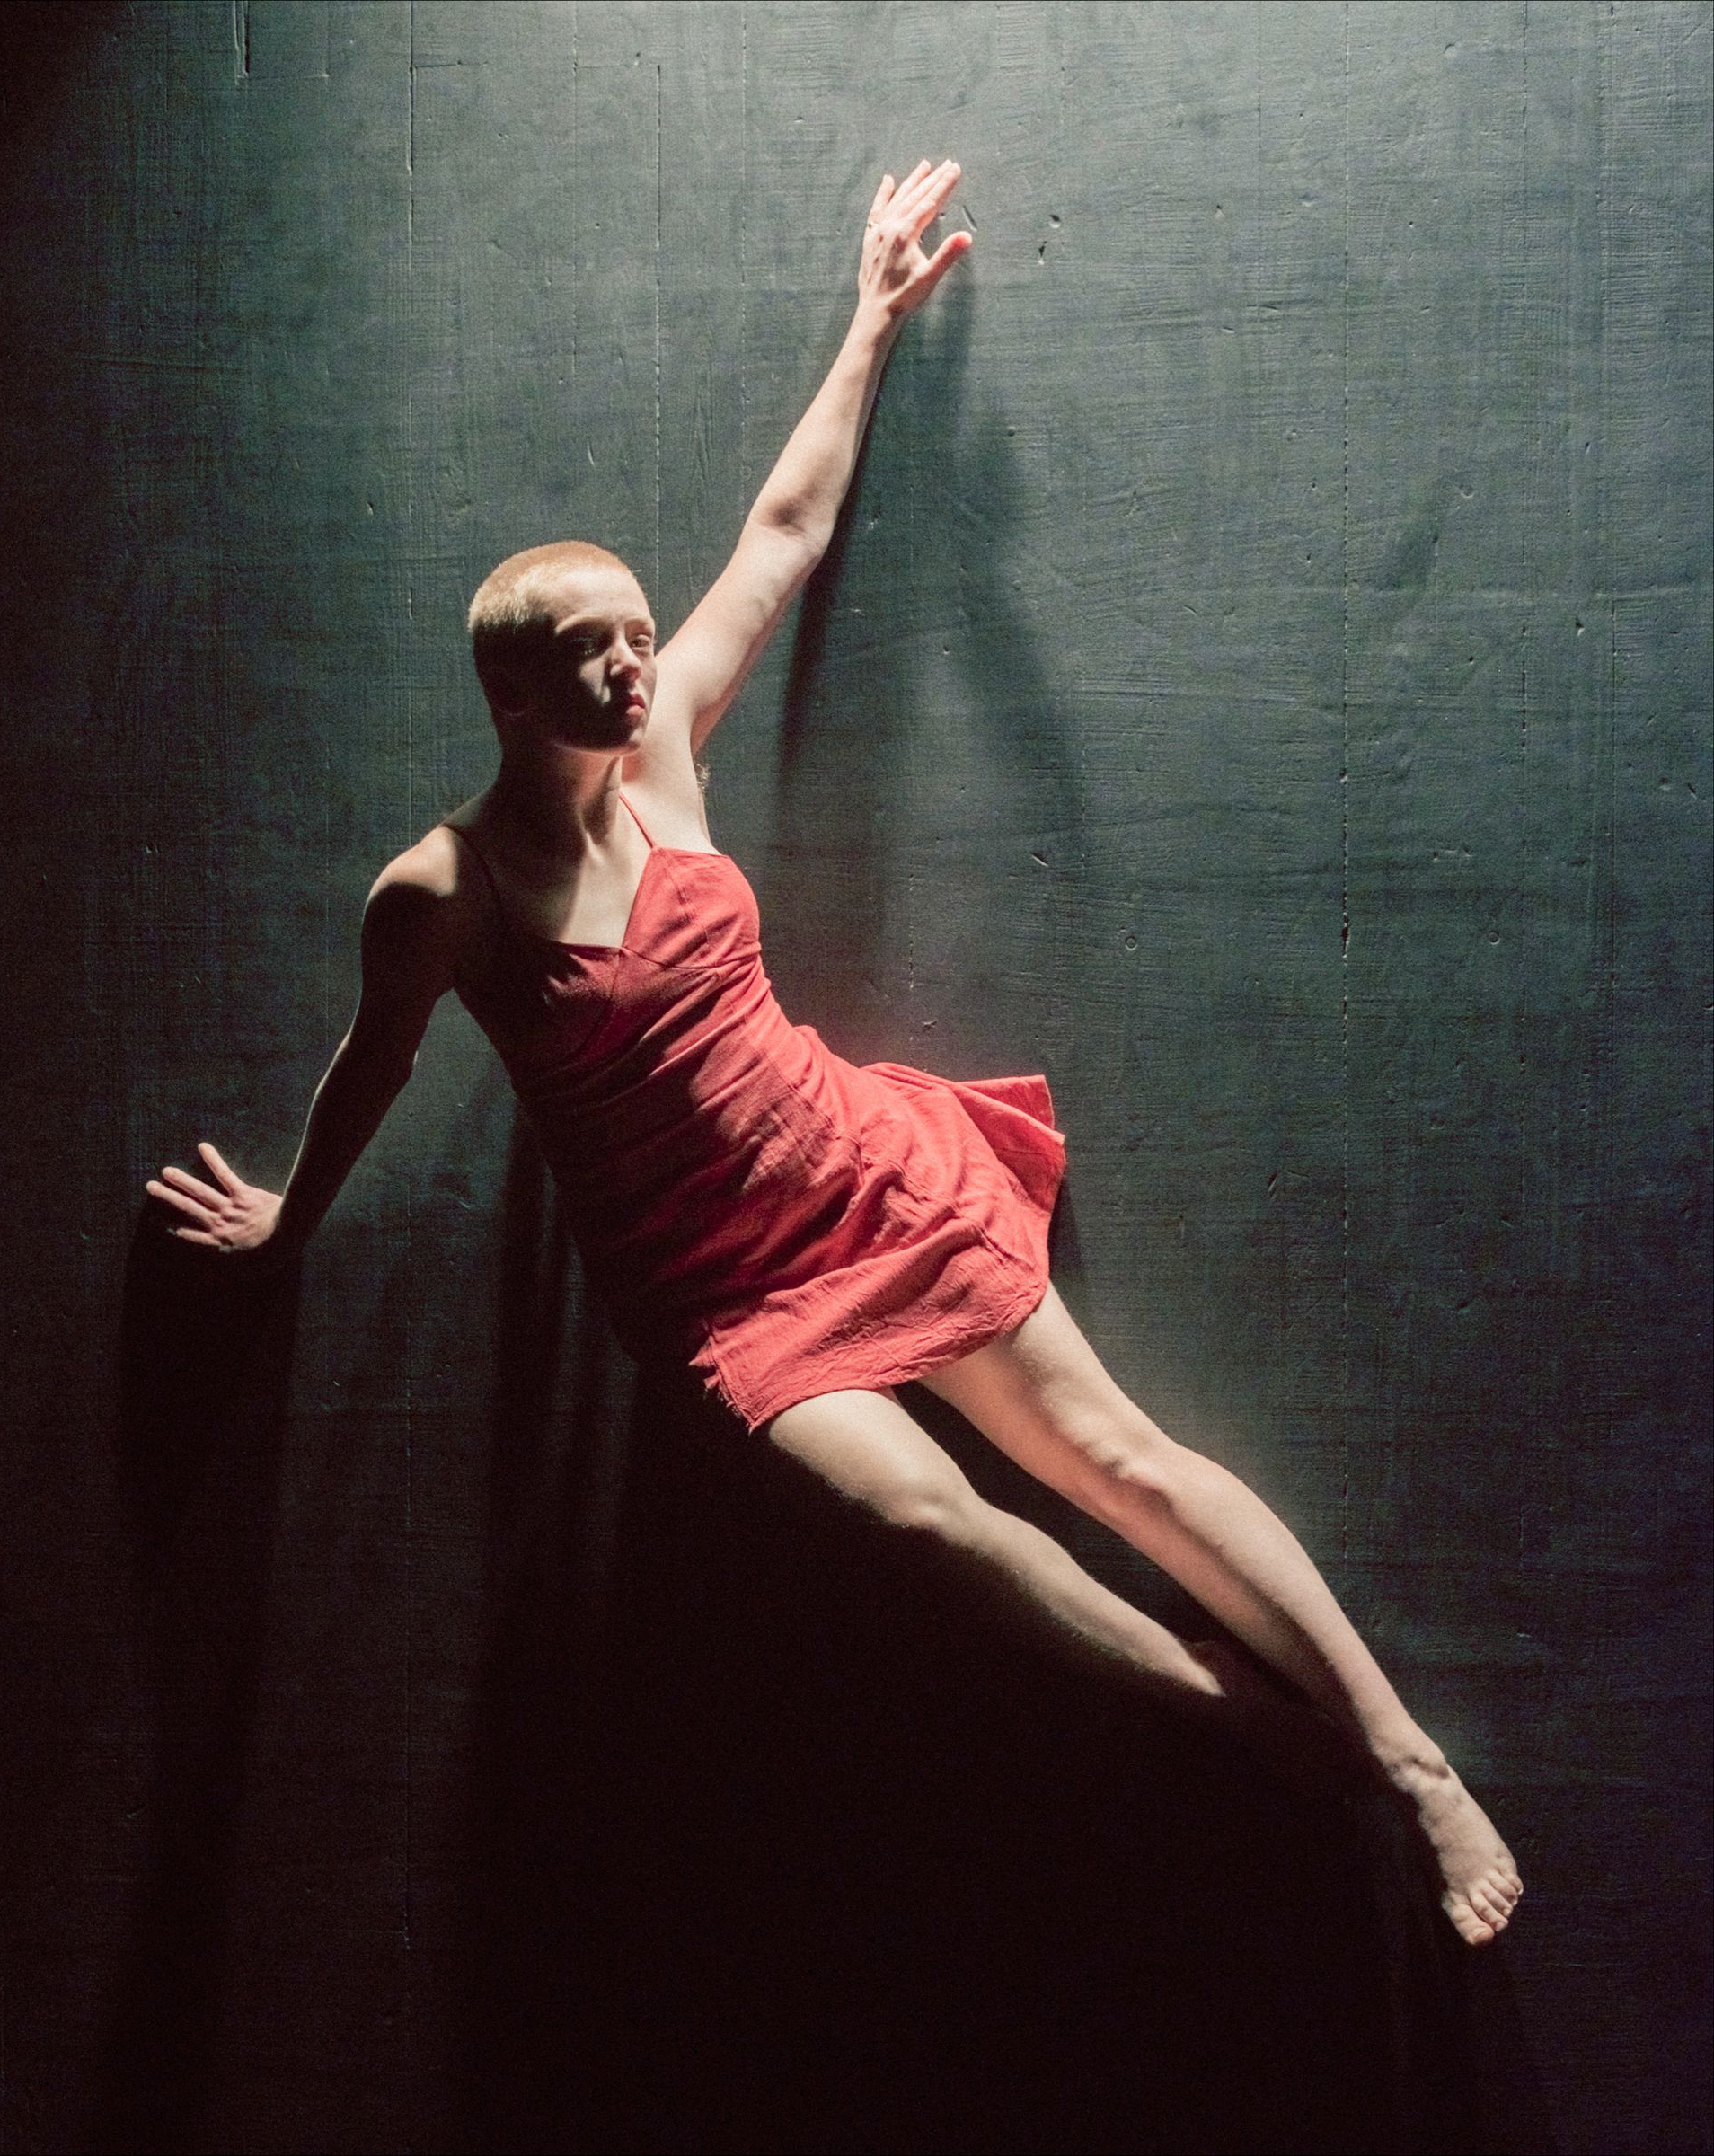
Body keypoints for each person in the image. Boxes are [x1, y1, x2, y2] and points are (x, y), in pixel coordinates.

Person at [147, 158, 1522, 1947]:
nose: (638, 671)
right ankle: (1251, 1725)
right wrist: (291, 1222)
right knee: (935, 1531)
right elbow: (373, 1063)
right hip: (722, 1299)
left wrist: (870, 315)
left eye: (643, 639)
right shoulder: (442, 889)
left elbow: (780, 536)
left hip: (863, 1173)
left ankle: (1409, 1762)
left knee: (1119, 1458)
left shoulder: (666, 760)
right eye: (594, 654)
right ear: (509, 689)